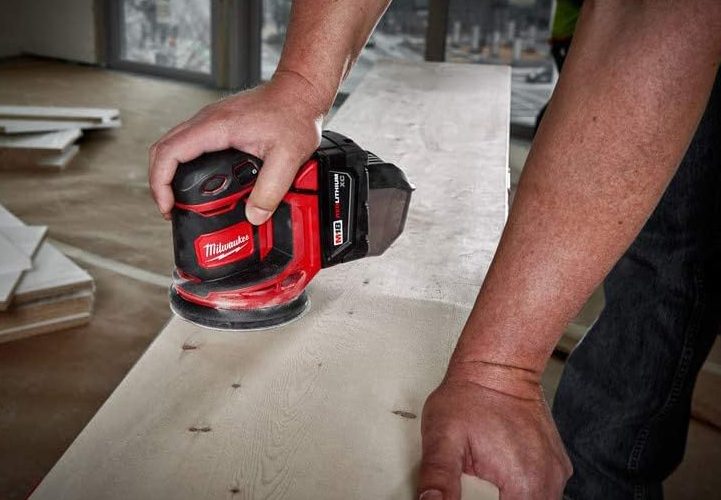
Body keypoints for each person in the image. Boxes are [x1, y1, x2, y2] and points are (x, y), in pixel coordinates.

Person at [148, 1, 721, 498]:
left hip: (690, 45)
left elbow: (649, 15)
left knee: (666, 275)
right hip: (590, 34)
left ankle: (602, 479)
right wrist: (299, 88)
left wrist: (499, 373)